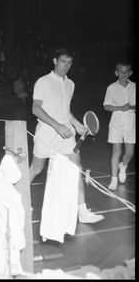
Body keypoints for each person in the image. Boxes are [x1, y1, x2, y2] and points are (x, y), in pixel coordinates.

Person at [29, 48, 104, 224]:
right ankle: (20, 198)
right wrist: (56, 125)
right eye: (63, 61)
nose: (66, 66)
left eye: (69, 63)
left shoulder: (70, 84)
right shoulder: (43, 82)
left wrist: (76, 124)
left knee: (76, 170)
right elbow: (36, 108)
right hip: (47, 134)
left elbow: (65, 109)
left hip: (67, 135)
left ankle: (82, 212)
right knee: (36, 169)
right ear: (55, 61)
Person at [103, 61, 135, 190]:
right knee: (116, 151)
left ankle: (124, 166)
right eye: (121, 72)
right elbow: (106, 106)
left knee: (129, 153)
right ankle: (114, 179)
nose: (124, 74)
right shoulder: (111, 88)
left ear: (130, 73)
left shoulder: (134, 87)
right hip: (116, 121)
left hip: (130, 121)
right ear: (116, 73)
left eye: (126, 72)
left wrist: (130, 107)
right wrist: (120, 108)